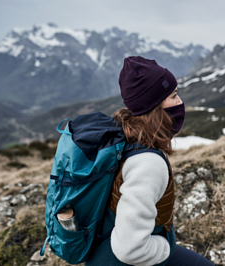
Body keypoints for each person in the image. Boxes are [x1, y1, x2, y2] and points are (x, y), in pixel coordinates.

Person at [85, 56, 213, 266]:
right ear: (154, 106)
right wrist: (165, 247)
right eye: (173, 96)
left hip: (105, 248)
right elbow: (130, 249)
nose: (180, 102)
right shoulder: (148, 163)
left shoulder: (125, 136)